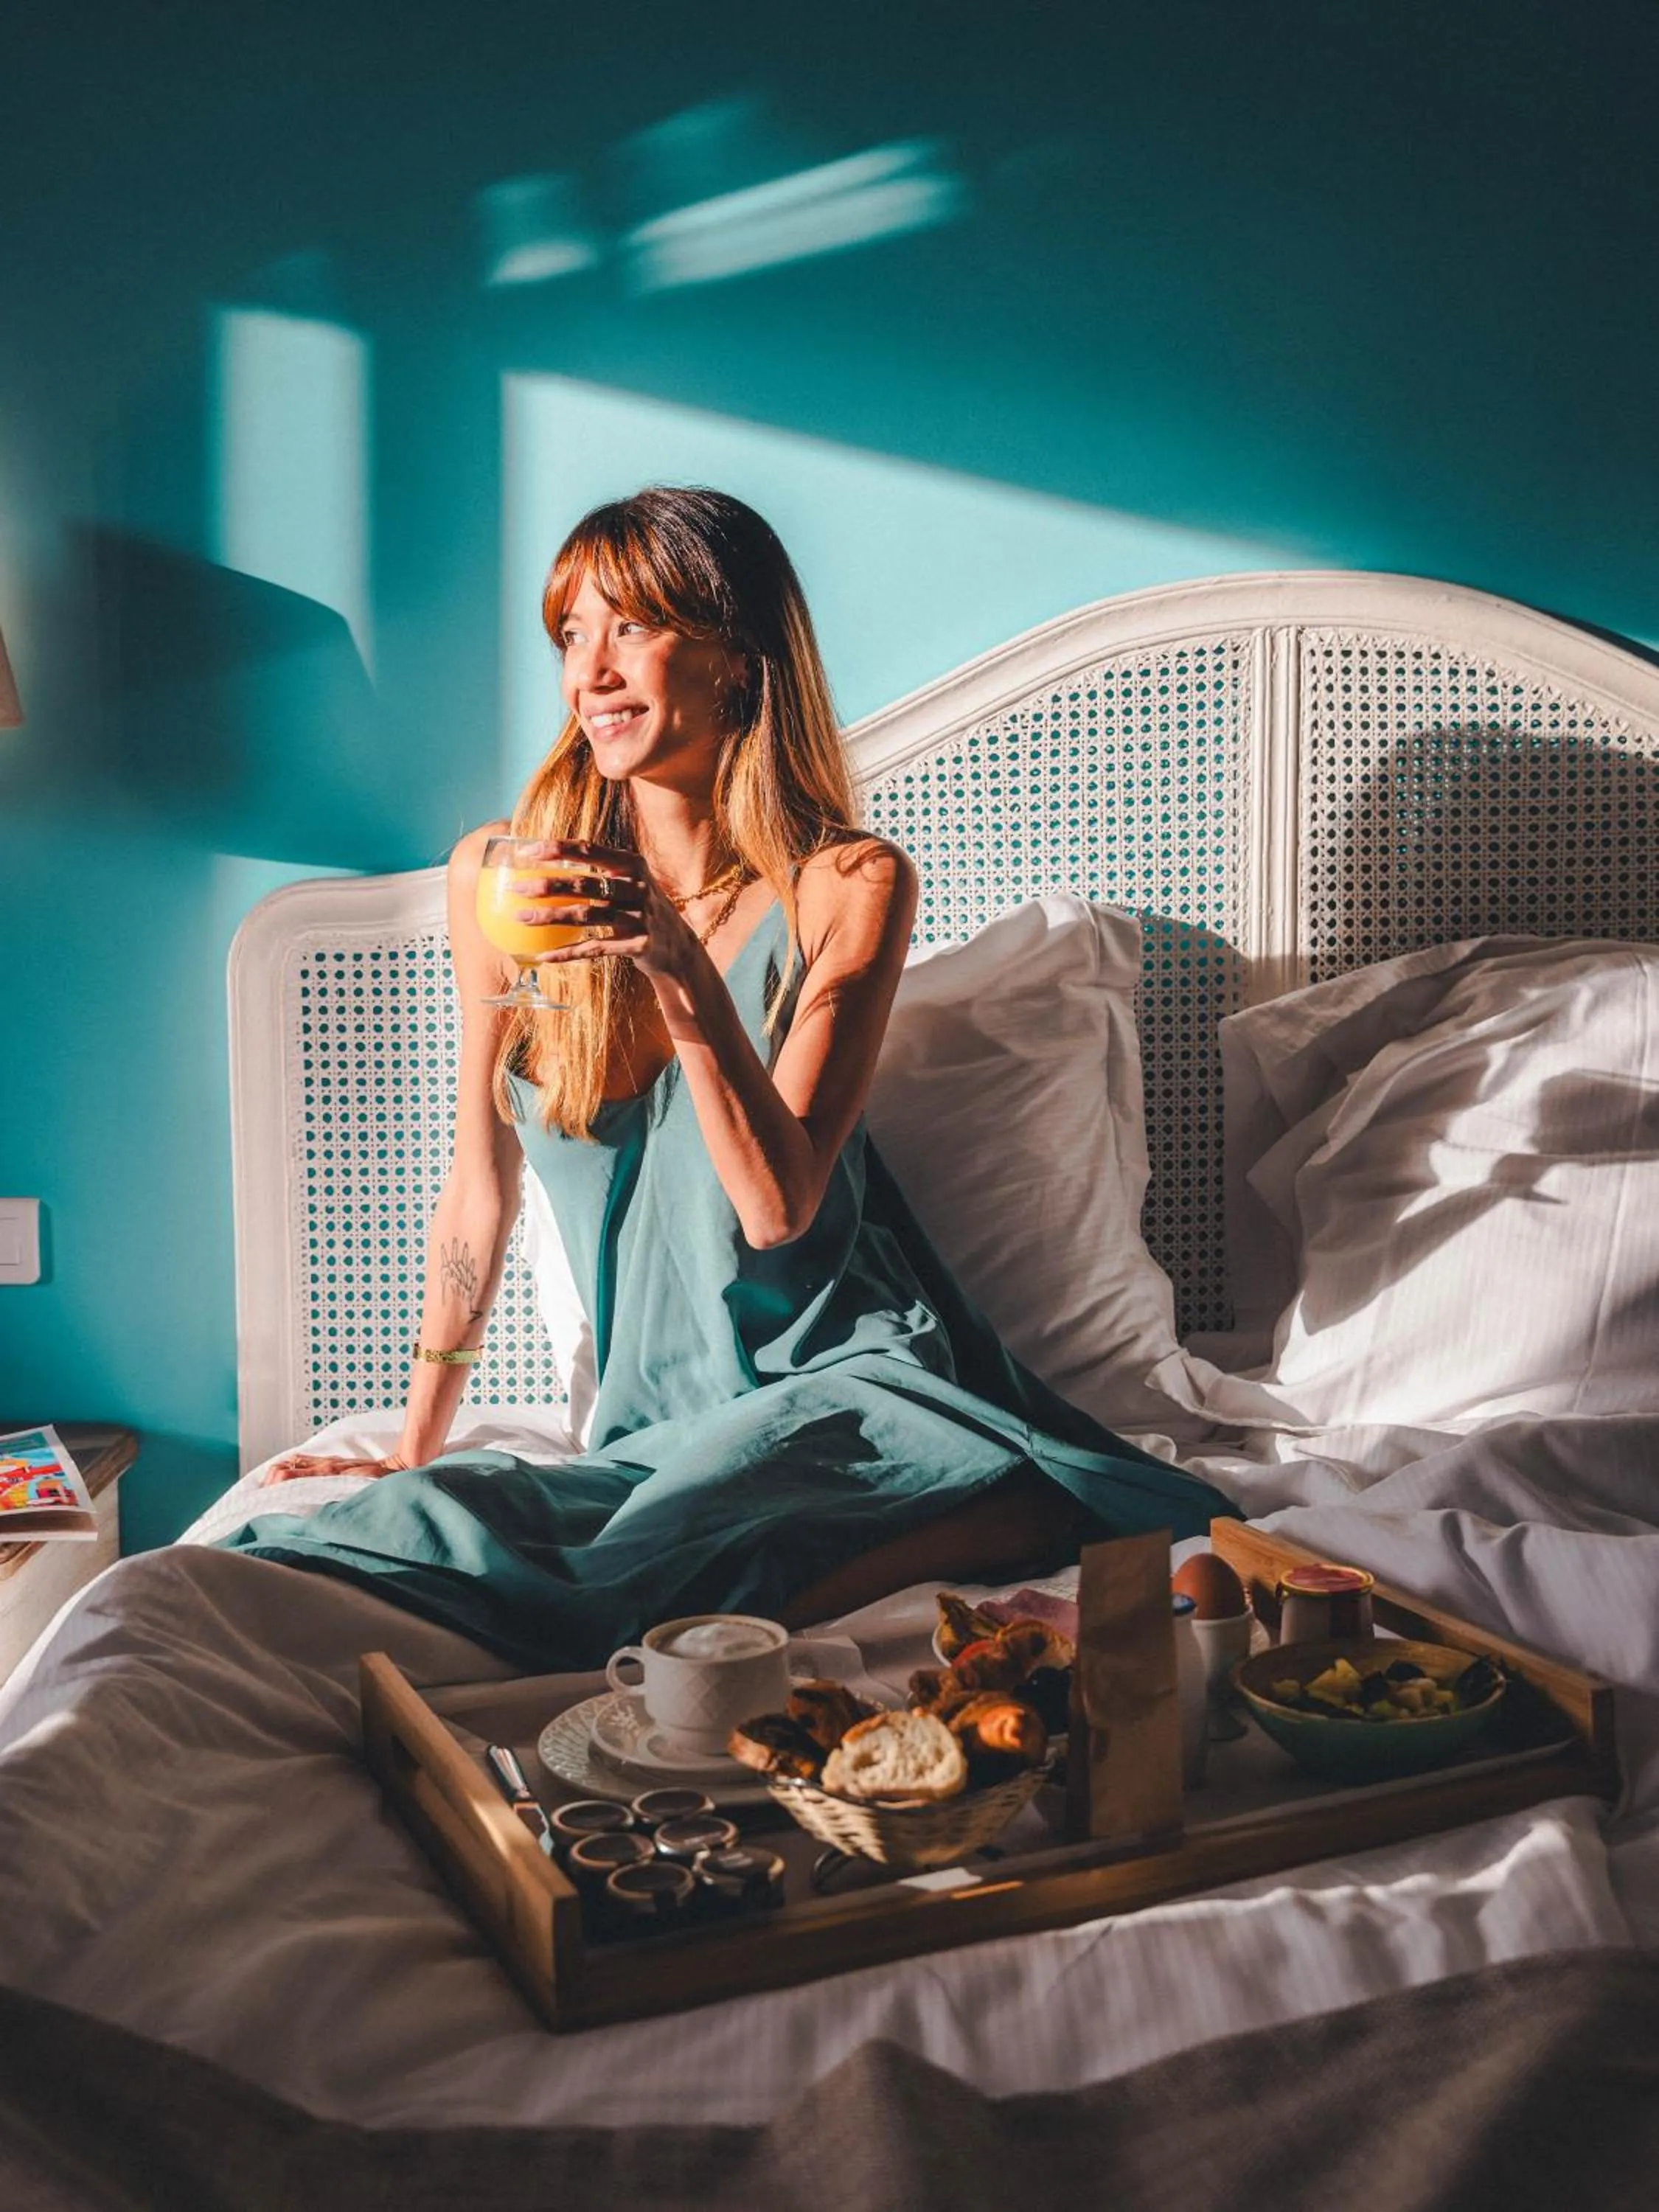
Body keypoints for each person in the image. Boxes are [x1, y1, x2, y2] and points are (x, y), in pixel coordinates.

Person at [224, 486, 1235, 1667]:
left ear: (738, 655)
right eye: (571, 634)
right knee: (443, 1518)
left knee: (644, 1575)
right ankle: (969, 1520)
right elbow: (476, 1190)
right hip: (656, 1421)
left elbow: (776, 1206)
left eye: (632, 627)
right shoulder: (500, 882)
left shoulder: (848, 885)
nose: (591, 672)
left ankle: (993, 1496)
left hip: (852, 1385)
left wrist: (676, 967)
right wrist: (413, 1442)